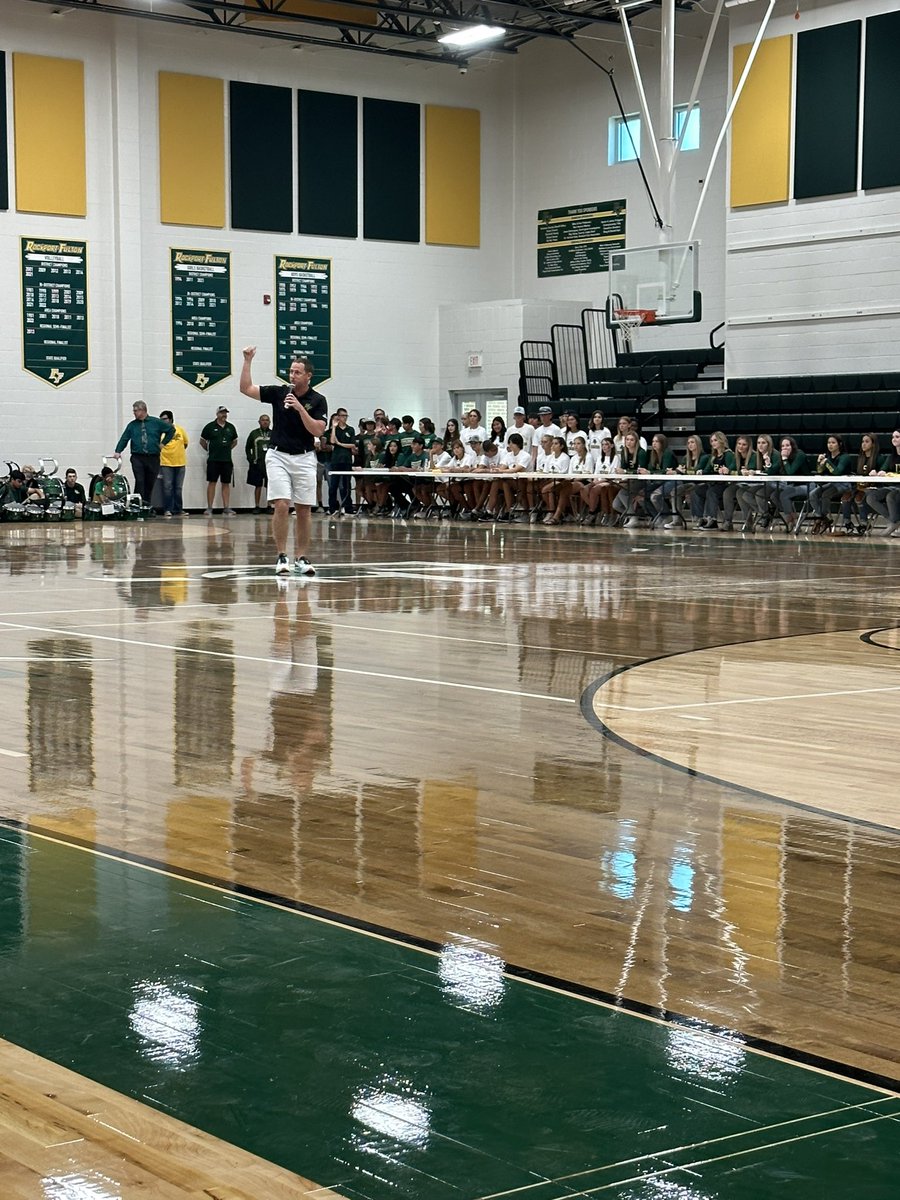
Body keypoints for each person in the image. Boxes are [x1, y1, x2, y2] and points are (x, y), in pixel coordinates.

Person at [239, 346, 327, 575]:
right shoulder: (279, 393)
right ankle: (281, 556)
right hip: (278, 455)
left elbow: (317, 430)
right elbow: (246, 388)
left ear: (308, 375)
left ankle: (301, 557)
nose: (292, 376)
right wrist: (247, 361)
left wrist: (300, 409)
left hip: (305, 457)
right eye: (291, 371)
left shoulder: (318, 400)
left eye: (297, 372)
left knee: (304, 508)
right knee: (281, 504)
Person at [114, 401, 174, 505]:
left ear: (142, 410)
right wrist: (118, 450)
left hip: (153, 457)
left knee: (150, 483)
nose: (134, 413)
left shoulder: (156, 422)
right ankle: (137, 504)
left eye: (136, 411)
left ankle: (146, 505)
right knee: (140, 480)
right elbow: (125, 438)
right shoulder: (132, 425)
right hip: (138, 457)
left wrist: (163, 443)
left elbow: (171, 430)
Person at [200, 406, 239, 516]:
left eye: (225, 413)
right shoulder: (210, 427)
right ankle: (209, 507)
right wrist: (211, 450)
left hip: (226, 460)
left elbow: (234, 442)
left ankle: (226, 507)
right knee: (212, 482)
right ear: (217, 414)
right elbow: (202, 441)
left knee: (226, 483)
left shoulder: (231, 427)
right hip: (213, 460)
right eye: (222, 413)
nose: (224, 415)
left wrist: (226, 449)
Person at [158, 408, 189, 518]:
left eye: (164, 419)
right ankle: (167, 509)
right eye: (161, 419)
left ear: (170, 419)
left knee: (178, 488)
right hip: (166, 463)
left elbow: (185, 443)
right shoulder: (160, 432)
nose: (162, 421)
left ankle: (178, 509)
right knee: (167, 487)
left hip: (180, 463)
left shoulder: (180, 430)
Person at [328, 408, 357, 516]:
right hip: (336, 460)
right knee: (333, 485)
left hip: (347, 460)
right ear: (338, 417)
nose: (344, 418)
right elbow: (332, 441)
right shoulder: (335, 429)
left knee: (346, 485)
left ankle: (348, 507)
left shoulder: (350, 429)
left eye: (346, 416)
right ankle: (332, 508)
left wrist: (340, 444)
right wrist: (334, 427)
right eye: (342, 415)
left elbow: (352, 444)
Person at [245, 413, 272, 513]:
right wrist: (251, 459)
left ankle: (269, 505)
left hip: (270, 465)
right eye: (263, 420)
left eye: (267, 420)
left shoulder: (273, 434)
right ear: (259, 422)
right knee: (258, 485)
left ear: (270, 422)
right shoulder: (254, 433)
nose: (265, 422)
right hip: (257, 464)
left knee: (270, 485)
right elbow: (248, 447)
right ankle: (257, 506)